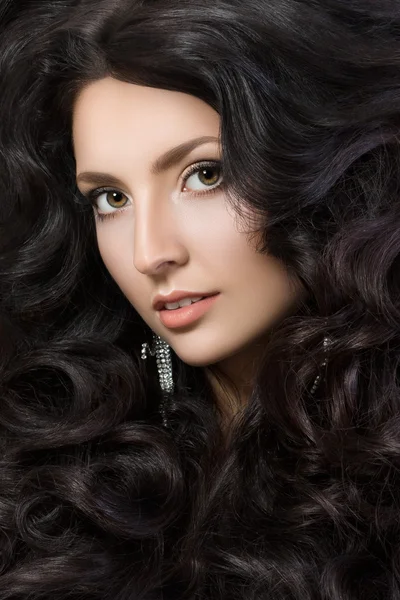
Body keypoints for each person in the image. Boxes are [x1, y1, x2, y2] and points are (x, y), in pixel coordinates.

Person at [0, 0, 399, 597]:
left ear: (324, 171)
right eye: (111, 198)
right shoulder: (70, 459)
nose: (149, 253)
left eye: (204, 175)